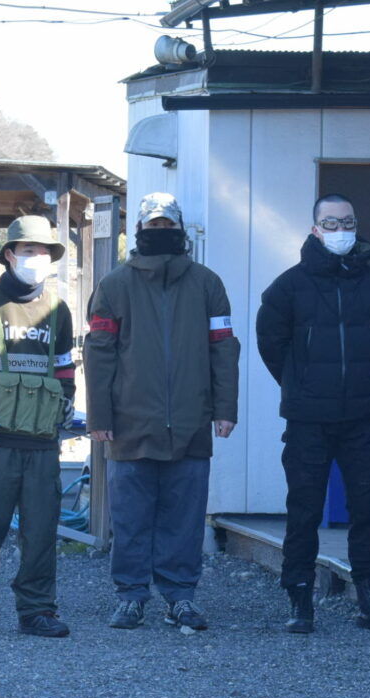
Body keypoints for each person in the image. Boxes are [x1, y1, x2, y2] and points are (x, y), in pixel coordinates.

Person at [84, 192, 241, 630]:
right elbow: (98, 353)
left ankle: (180, 598)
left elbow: (224, 349)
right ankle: (131, 597)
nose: (161, 231)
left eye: (167, 224)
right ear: (138, 230)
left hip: (191, 425)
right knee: (130, 519)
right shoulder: (114, 286)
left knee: (184, 520)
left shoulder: (208, 284)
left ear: (180, 227)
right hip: (129, 426)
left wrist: (225, 408)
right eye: (153, 225)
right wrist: (99, 417)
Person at [255, 193, 370, 634]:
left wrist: (362, 380)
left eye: (348, 222)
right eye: (331, 223)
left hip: (363, 416)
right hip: (307, 420)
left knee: (368, 509)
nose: (341, 230)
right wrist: (299, 384)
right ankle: (300, 601)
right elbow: (271, 344)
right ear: (315, 229)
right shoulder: (287, 287)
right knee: (303, 510)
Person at [0, 214, 77, 640]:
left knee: (41, 534)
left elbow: (64, 368)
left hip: (41, 445)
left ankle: (37, 611)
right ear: (9, 254)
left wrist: (66, 403)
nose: (37, 258)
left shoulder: (58, 311)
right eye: (28, 250)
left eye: (43, 252)